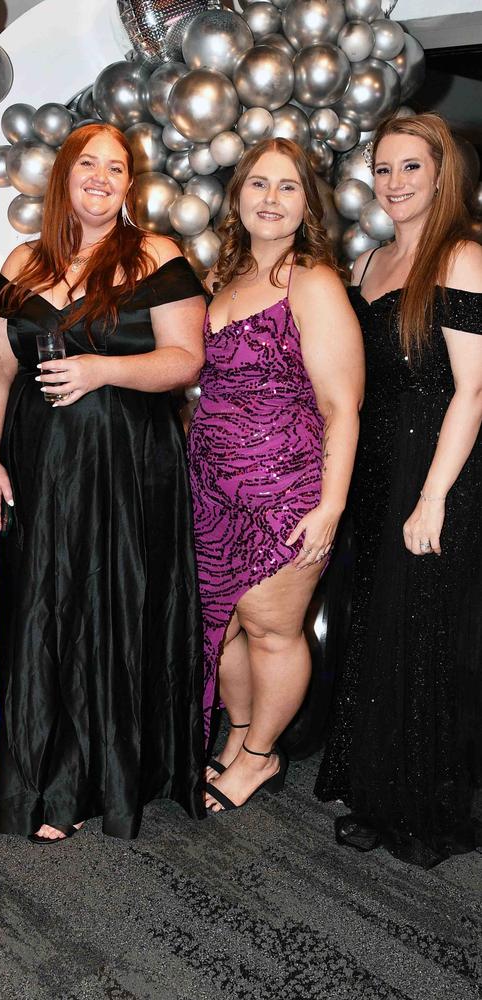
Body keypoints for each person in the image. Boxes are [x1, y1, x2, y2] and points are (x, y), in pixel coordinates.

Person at [0, 122, 207, 843]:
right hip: (40, 462)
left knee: (113, 605)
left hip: (128, 466)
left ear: (129, 185)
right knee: (43, 604)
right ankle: (43, 772)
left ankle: (99, 777)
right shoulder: (23, 259)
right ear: (64, 177)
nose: (101, 177)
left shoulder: (155, 255)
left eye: (116, 168)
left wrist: (103, 369)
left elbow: (185, 360)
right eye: (88, 164)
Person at [315, 112, 482, 868]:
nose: (394, 182)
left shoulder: (463, 257)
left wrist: (434, 496)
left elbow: (474, 392)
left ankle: (427, 804)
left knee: (427, 631)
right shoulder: (370, 261)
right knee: (381, 623)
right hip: (379, 468)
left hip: (438, 469)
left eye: (411, 167)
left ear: (442, 174)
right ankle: (381, 785)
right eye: (383, 168)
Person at [187, 138, 364, 813]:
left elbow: (341, 405)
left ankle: (260, 758)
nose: (270, 198)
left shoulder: (311, 280)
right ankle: (238, 734)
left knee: (271, 630)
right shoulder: (224, 281)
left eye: (287, 187)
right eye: (258, 184)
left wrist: (331, 506)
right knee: (220, 628)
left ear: (306, 205)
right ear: (238, 198)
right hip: (212, 486)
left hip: (287, 491)